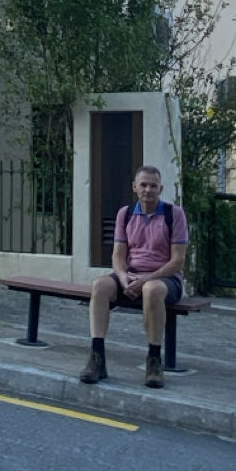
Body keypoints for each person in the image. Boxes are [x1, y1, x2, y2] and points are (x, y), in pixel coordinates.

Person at [79, 165, 189, 389]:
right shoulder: (125, 214)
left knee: (152, 290)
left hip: (165, 279)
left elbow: (178, 261)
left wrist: (146, 279)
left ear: (161, 189)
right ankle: (97, 357)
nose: (148, 190)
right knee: (100, 286)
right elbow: (118, 256)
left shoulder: (174, 214)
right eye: (143, 185)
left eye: (153, 186)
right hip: (131, 275)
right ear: (135, 187)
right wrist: (123, 278)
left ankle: (154, 361)